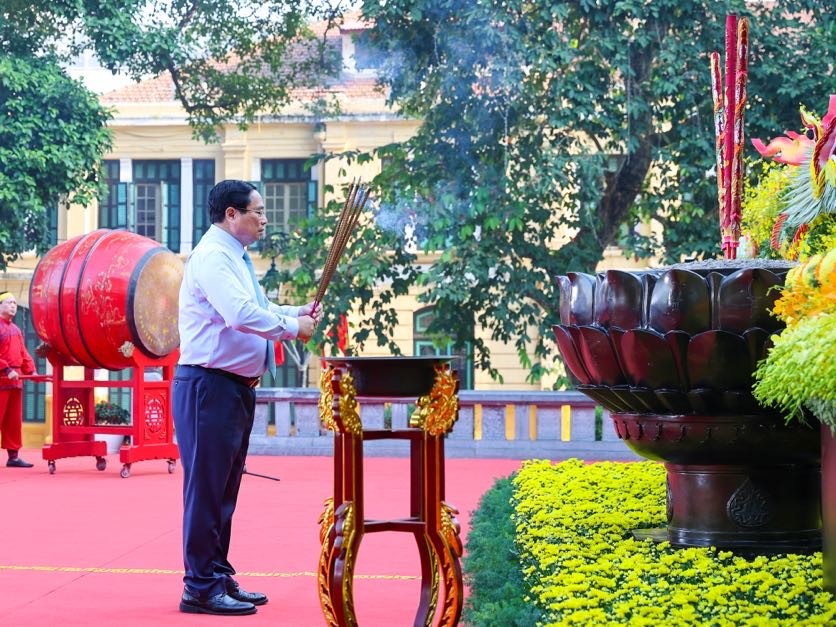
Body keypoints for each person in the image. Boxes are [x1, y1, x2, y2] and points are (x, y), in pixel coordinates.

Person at [173, 180, 321, 616]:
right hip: (208, 385)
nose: (264, 218)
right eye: (257, 211)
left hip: (231, 387)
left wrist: (294, 314)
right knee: (206, 490)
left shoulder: (234, 257)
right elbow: (239, 315)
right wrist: (294, 329)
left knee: (223, 490)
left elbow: (257, 305)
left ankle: (217, 576)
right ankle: (199, 586)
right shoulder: (214, 257)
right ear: (231, 214)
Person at [0, 292, 37, 468]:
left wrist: (33, 372)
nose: (13, 305)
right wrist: (6, 369)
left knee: (13, 421)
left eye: (15, 302)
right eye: (9, 302)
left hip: (15, 381)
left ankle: (13, 457)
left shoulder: (16, 329)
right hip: (2, 380)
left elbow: (23, 353)